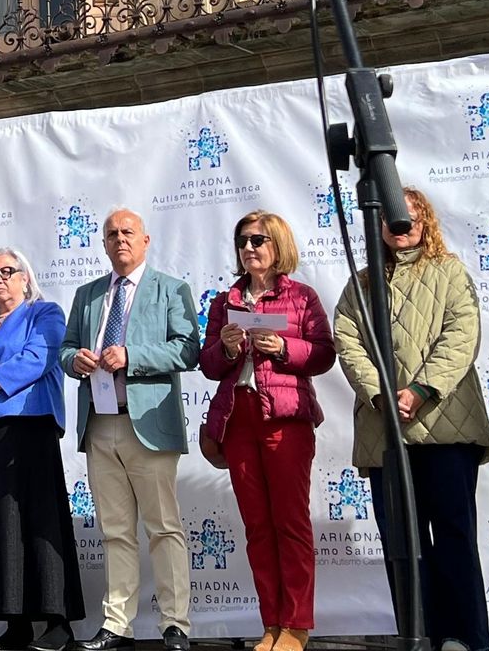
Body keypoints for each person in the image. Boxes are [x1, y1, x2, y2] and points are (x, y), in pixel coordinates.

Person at [332, 185, 489, 651]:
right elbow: (347, 340)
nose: (400, 227)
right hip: (385, 433)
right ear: (377, 225)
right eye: (390, 218)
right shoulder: (362, 283)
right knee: (401, 547)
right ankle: (420, 637)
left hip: (446, 428)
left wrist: (421, 391)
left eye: (409, 218)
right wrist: (382, 395)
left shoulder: (450, 271)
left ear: (426, 223)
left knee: (454, 537)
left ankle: (469, 638)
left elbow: (461, 335)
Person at [60, 208, 201, 651]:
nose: (120, 239)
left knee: (163, 528)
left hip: (149, 426)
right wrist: (75, 361)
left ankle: (175, 624)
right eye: (112, 234)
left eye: (128, 232)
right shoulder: (87, 294)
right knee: (115, 531)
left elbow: (188, 350)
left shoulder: (171, 289)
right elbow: (64, 350)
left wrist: (132, 356)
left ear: (145, 240)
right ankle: (117, 625)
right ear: (103, 244)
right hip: (100, 424)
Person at [199, 211, 335, 651]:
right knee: (257, 526)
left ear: (278, 244)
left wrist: (283, 348)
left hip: (285, 418)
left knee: (290, 524)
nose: (249, 247)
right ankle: (271, 624)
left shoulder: (301, 297)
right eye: (243, 240)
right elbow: (208, 365)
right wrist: (226, 348)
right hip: (238, 417)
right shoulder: (226, 300)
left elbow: (324, 354)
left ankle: (296, 625)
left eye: (258, 240)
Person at [0, 250, 83, 651]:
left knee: (40, 520)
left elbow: (36, 360)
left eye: (7, 271)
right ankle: (16, 621)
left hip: (30, 427)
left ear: (25, 276)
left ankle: (58, 622)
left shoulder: (45, 314)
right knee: (1, 525)